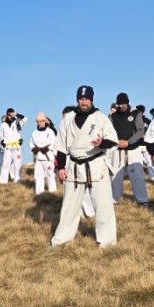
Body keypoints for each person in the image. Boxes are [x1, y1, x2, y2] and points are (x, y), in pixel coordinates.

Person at [50, 85, 119, 248]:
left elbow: (113, 141)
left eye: (87, 98)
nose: (84, 102)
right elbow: (60, 146)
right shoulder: (68, 119)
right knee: (69, 206)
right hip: (74, 165)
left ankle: (107, 241)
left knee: (103, 205)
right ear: (77, 99)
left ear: (92, 99)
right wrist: (60, 167)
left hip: (95, 164)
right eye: (81, 99)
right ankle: (62, 240)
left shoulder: (100, 118)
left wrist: (102, 142)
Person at [108, 93, 150, 204]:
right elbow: (109, 131)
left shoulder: (136, 114)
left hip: (133, 149)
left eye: (123, 103)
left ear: (127, 102)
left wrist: (129, 142)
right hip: (118, 149)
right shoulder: (113, 116)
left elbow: (140, 130)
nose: (121, 106)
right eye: (119, 104)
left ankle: (142, 200)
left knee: (137, 176)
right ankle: (115, 199)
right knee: (116, 176)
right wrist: (116, 141)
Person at [30, 112, 58, 194]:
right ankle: (39, 193)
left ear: (45, 121)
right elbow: (31, 143)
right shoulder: (34, 133)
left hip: (48, 157)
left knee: (50, 175)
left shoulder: (50, 132)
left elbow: (54, 143)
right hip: (38, 157)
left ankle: (52, 191)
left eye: (41, 121)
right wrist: (34, 149)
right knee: (38, 176)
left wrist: (48, 149)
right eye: (38, 121)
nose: (40, 123)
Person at [0, 108, 24, 184]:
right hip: (7, 147)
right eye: (10, 115)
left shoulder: (17, 122)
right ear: (7, 115)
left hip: (16, 146)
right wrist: (2, 142)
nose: (11, 116)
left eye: (12, 114)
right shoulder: (3, 125)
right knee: (5, 164)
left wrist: (16, 114)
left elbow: (25, 118)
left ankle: (18, 179)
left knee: (18, 163)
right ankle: (3, 181)